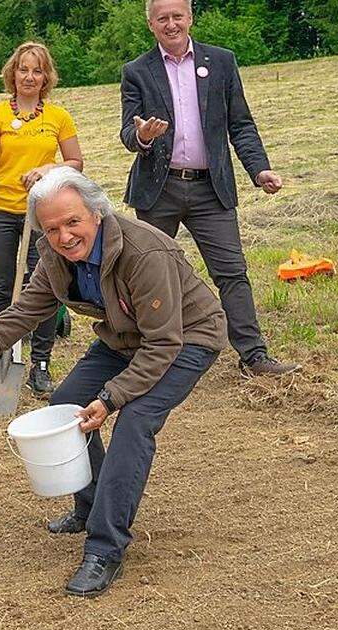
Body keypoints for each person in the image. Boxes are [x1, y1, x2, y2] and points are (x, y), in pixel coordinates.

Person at [0, 167, 227, 597]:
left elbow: (163, 343)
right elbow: (24, 311)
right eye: (52, 229)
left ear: (97, 214)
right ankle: (89, 507)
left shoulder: (145, 253)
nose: (64, 236)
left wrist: (111, 398)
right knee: (66, 403)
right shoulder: (53, 257)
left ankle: (105, 548)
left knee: (135, 419)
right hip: (124, 338)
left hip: (184, 339)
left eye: (73, 222)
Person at [121, 0, 297, 376]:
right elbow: (126, 134)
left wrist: (259, 170)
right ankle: (142, 356)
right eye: (162, 18)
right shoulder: (136, 71)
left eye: (177, 16)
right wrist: (142, 135)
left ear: (190, 18)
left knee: (232, 272)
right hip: (158, 189)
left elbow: (241, 125)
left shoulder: (221, 61)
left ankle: (253, 355)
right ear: (150, 24)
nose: (171, 25)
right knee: (148, 274)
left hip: (210, 190)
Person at [0, 42, 84, 396]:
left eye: (37, 70)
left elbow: (75, 162)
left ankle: (40, 362)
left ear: (46, 77)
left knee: (44, 286)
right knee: (2, 286)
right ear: (13, 73)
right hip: (1, 211)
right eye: (23, 69)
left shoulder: (58, 117)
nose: (29, 76)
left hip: (43, 214)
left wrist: (47, 168)